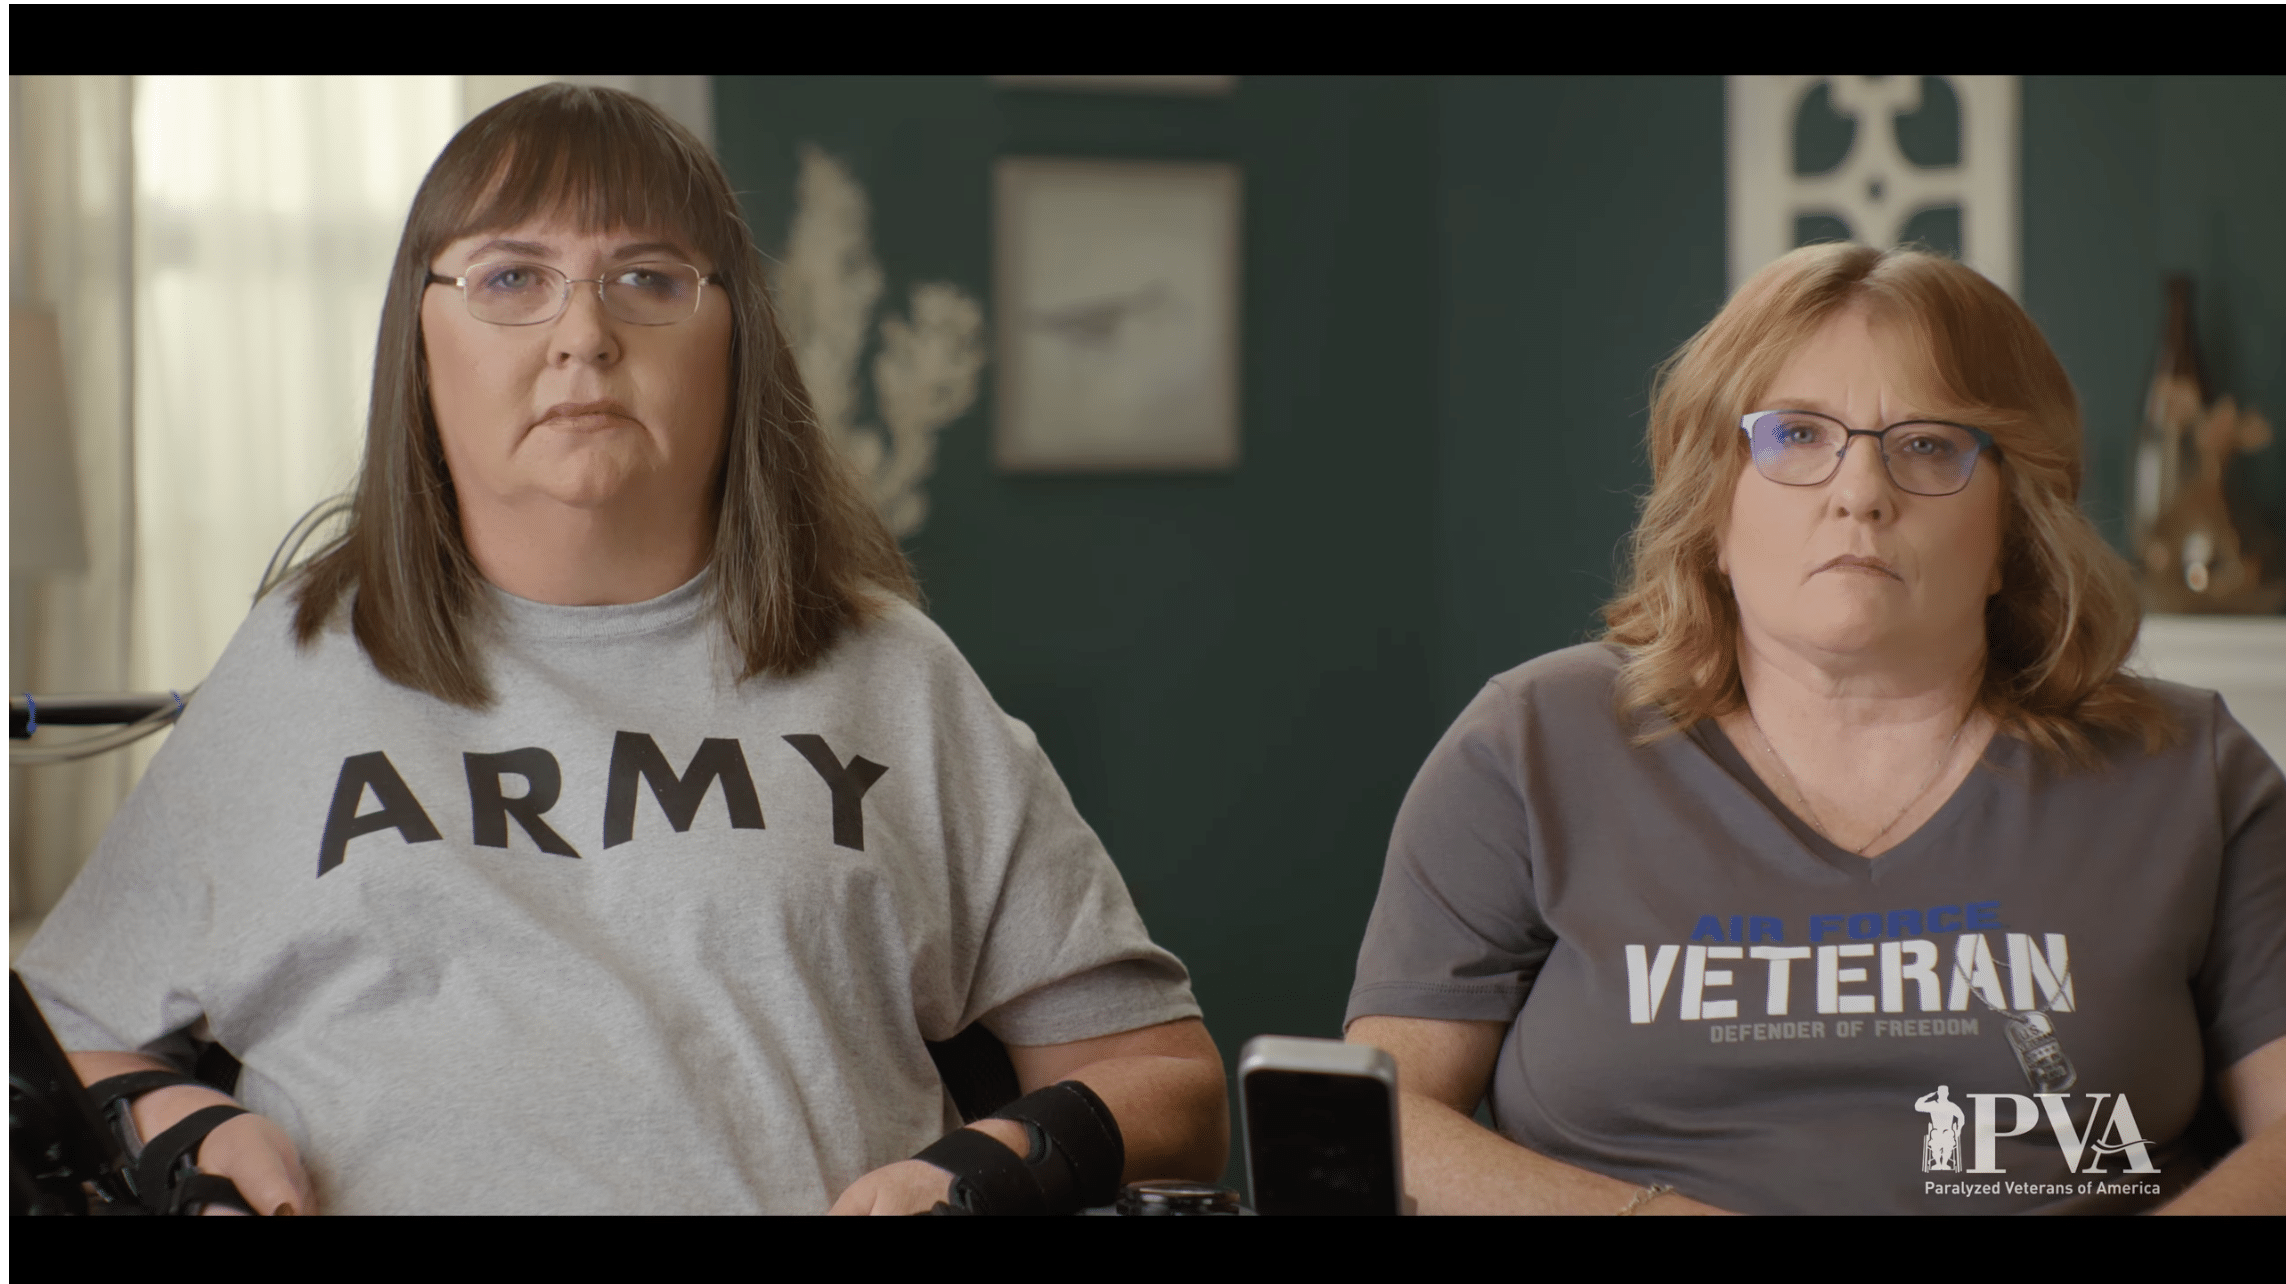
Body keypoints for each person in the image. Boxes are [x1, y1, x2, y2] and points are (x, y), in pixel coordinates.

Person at [16, 85, 1227, 1216]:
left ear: (733, 336)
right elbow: (71, 1033)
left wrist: (973, 1173)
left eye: (646, 278)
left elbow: (1165, 1077)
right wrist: (191, 1128)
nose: (582, 335)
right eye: (510, 278)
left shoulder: (891, 675)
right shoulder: (297, 664)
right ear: (420, 339)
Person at [1344, 243, 2286, 1215]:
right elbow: (1377, 1120)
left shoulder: (2190, 769)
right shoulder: (1533, 745)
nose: (1861, 492)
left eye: (1927, 444)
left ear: (2016, 527)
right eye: (1796, 436)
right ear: (1713, 505)